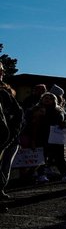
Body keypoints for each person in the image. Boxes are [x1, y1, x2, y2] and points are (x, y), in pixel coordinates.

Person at [0, 65, 24, 201]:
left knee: (5, 167)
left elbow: (18, 117)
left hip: (8, 140)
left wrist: (9, 138)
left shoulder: (4, 94)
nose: (2, 72)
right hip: (7, 140)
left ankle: (1, 189)